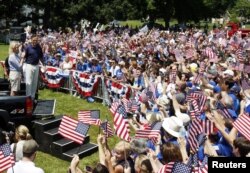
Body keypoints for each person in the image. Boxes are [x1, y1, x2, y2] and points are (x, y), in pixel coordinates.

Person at [23, 35, 44, 101]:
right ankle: (28, 97)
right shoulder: (28, 47)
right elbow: (24, 57)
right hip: (29, 65)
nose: (35, 41)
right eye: (34, 40)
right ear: (31, 40)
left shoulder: (39, 47)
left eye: (36, 40)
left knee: (34, 82)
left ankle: (32, 97)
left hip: (36, 66)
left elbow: (41, 57)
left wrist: (44, 65)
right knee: (28, 81)